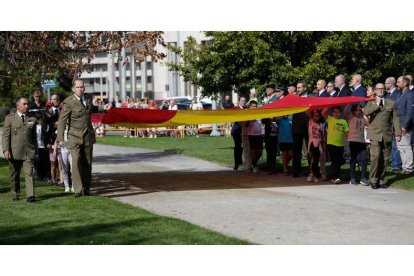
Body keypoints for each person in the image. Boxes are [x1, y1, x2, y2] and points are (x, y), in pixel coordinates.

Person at [57, 79, 110, 197]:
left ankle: (86, 188)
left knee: (87, 162)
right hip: (74, 136)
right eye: (78, 87)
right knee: (76, 161)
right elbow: (61, 120)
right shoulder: (69, 102)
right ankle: (77, 189)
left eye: (82, 87)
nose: (80, 89)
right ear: (73, 89)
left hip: (87, 135)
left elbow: (92, 109)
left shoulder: (88, 98)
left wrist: (104, 108)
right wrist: (60, 138)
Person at [362, 83, 401, 189]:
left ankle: (381, 179)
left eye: (382, 89)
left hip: (386, 134)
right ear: (375, 91)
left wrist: (398, 133)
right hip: (374, 133)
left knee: (385, 158)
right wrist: (376, 104)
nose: (380, 90)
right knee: (375, 156)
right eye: (378, 89)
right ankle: (373, 180)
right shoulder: (371, 102)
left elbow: (396, 119)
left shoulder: (391, 103)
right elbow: (365, 112)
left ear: (385, 90)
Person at [2, 97, 37, 202]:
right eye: (24, 104)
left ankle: (30, 196)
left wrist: (36, 150)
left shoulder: (31, 119)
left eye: (27, 104)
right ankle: (15, 194)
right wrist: (6, 150)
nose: (27, 106)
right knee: (14, 175)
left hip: (28, 152)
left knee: (29, 173)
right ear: (18, 106)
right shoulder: (10, 118)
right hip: (15, 152)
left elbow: (34, 136)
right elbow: (6, 136)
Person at [321, 106, 349, 184]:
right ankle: (335, 177)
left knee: (340, 161)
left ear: (340, 113)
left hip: (340, 144)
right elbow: (323, 113)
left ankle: (336, 175)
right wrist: (329, 105)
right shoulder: (330, 119)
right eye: (335, 112)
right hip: (331, 144)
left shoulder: (343, 121)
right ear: (332, 113)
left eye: (338, 112)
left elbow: (347, 133)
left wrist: (349, 141)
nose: (336, 113)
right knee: (334, 161)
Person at [344, 104, 369, 185]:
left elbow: (368, 122)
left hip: (361, 141)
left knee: (364, 158)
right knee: (353, 160)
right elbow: (345, 112)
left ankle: (363, 178)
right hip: (352, 141)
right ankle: (352, 178)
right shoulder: (351, 117)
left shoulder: (362, 118)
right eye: (357, 110)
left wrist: (364, 111)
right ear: (353, 111)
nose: (358, 111)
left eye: (359, 110)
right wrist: (349, 103)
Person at [395, 76, 414, 174]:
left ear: (405, 83)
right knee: (401, 147)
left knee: (406, 146)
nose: (396, 84)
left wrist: (405, 125)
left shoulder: (410, 94)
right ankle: (405, 167)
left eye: (398, 82)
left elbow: (410, 111)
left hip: (404, 125)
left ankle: (409, 168)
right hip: (398, 124)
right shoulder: (400, 94)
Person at [291, 80, 310, 177]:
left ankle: (312, 170)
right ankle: (296, 171)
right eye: (297, 87)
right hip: (297, 127)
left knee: (310, 149)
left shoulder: (311, 98)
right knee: (296, 150)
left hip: (308, 127)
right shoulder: (294, 98)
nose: (297, 89)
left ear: (305, 88)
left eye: (299, 87)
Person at [263, 85, 279, 174]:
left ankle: (272, 168)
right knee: (269, 147)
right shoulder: (268, 99)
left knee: (272, 147)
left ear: (272, 90)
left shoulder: (274, 99)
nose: (266, 90)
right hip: (268, 125)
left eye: (268, 89)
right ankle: (270, 167)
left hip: (272, 125)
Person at [307, 110, 326, 182]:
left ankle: (314, 175)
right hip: (312, 143)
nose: (316, 117)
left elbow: (323, 135)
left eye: (318, 116)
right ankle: (311, 174)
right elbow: (309, 112)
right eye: (315, 116)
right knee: (313, 159)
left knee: (317, 159)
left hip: (319, 144)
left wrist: (324, 144)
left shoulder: (321, 124)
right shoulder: (311, 122)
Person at [245, 100, 263, 173]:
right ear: (250, 107)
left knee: (260, 152)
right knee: (253, 151)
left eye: (256, 106)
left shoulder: (259, 114)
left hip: (259, 135)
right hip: (252, 135)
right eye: (253, 106)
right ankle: (255, 166)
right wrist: (250, 119)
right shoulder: (248, 114)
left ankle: (254, 163)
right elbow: (246, 125)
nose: (255, 107)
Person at [231, 97, 246, 170]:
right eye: (242, 101)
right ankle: (236, 163)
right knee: (237, 146)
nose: (243, 102)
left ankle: (240, 161)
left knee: (242, 146)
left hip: (244, 129)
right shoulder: (235, 109)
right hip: (236, 130)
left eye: (244, 101)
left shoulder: (246, 109)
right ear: (239, 101)